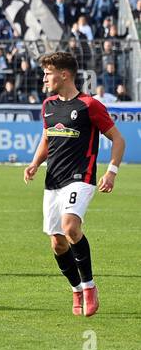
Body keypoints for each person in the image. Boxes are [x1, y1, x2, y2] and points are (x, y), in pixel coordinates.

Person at [23, 51, 126, 317]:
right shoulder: (48, 105)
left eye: (48, 73)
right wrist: (35, 163)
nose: (44, 78)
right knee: (57, 243)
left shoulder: (89, 105)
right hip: (53, 180)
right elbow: (47, 138)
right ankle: (76, 289)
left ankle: (90, 286)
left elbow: (118, 139)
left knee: (71, 227)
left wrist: (111, 172)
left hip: (81, 177)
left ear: (64, 74)